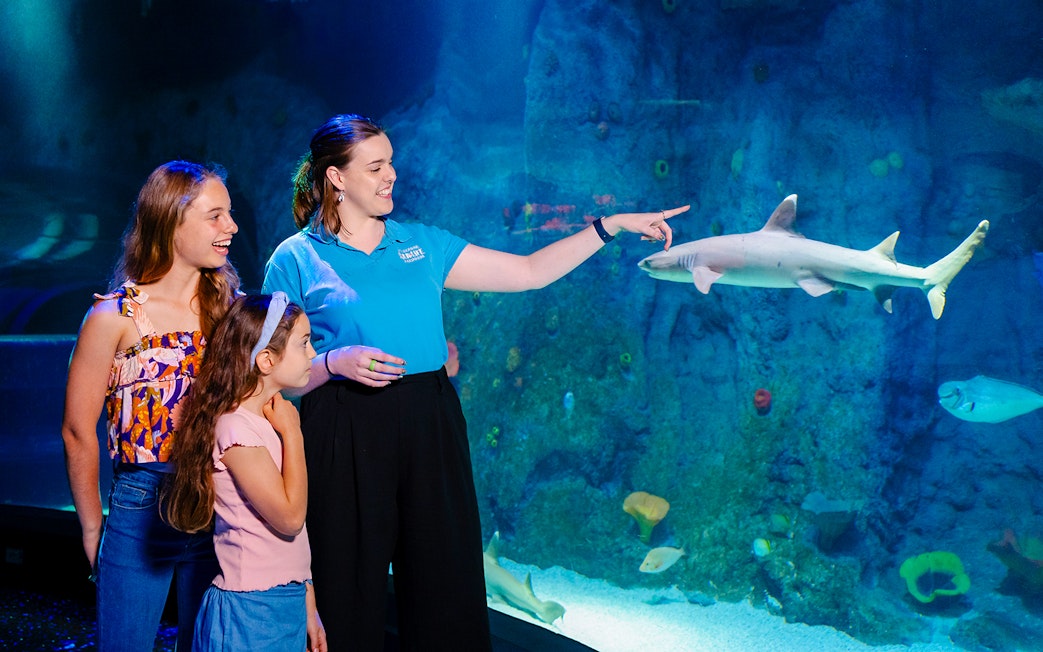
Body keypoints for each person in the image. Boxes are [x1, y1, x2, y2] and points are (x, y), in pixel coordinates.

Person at [261, 113, 689, 651]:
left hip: (429, 419)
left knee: (445, 584)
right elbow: (269, 377)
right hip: (342, 425)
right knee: (345, 585)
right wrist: (332, 362)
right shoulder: (296, 258)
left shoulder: (423, 244)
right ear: (336, 177)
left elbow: (529, 272)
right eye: (375, 166)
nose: (392, 175)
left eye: (391, 162)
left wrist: (612, 226)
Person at [61, 160, 241, 651]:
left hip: (220, 499)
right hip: (142, 504)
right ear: (171, 221)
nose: (231, 226)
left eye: (229, 213)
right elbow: (77, 430)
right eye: (215, 215)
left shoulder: (231, 309)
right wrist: (92, 525)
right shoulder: (113, 316)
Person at [163, 292, 327, 652]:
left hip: (283, 602)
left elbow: (288, 544)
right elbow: (290, 519)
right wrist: (294, 434)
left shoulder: (263, 421)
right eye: (303, 343)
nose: (313, 353)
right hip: (248, 613)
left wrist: (307, 603)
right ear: (266, 360)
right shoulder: (236, 428)